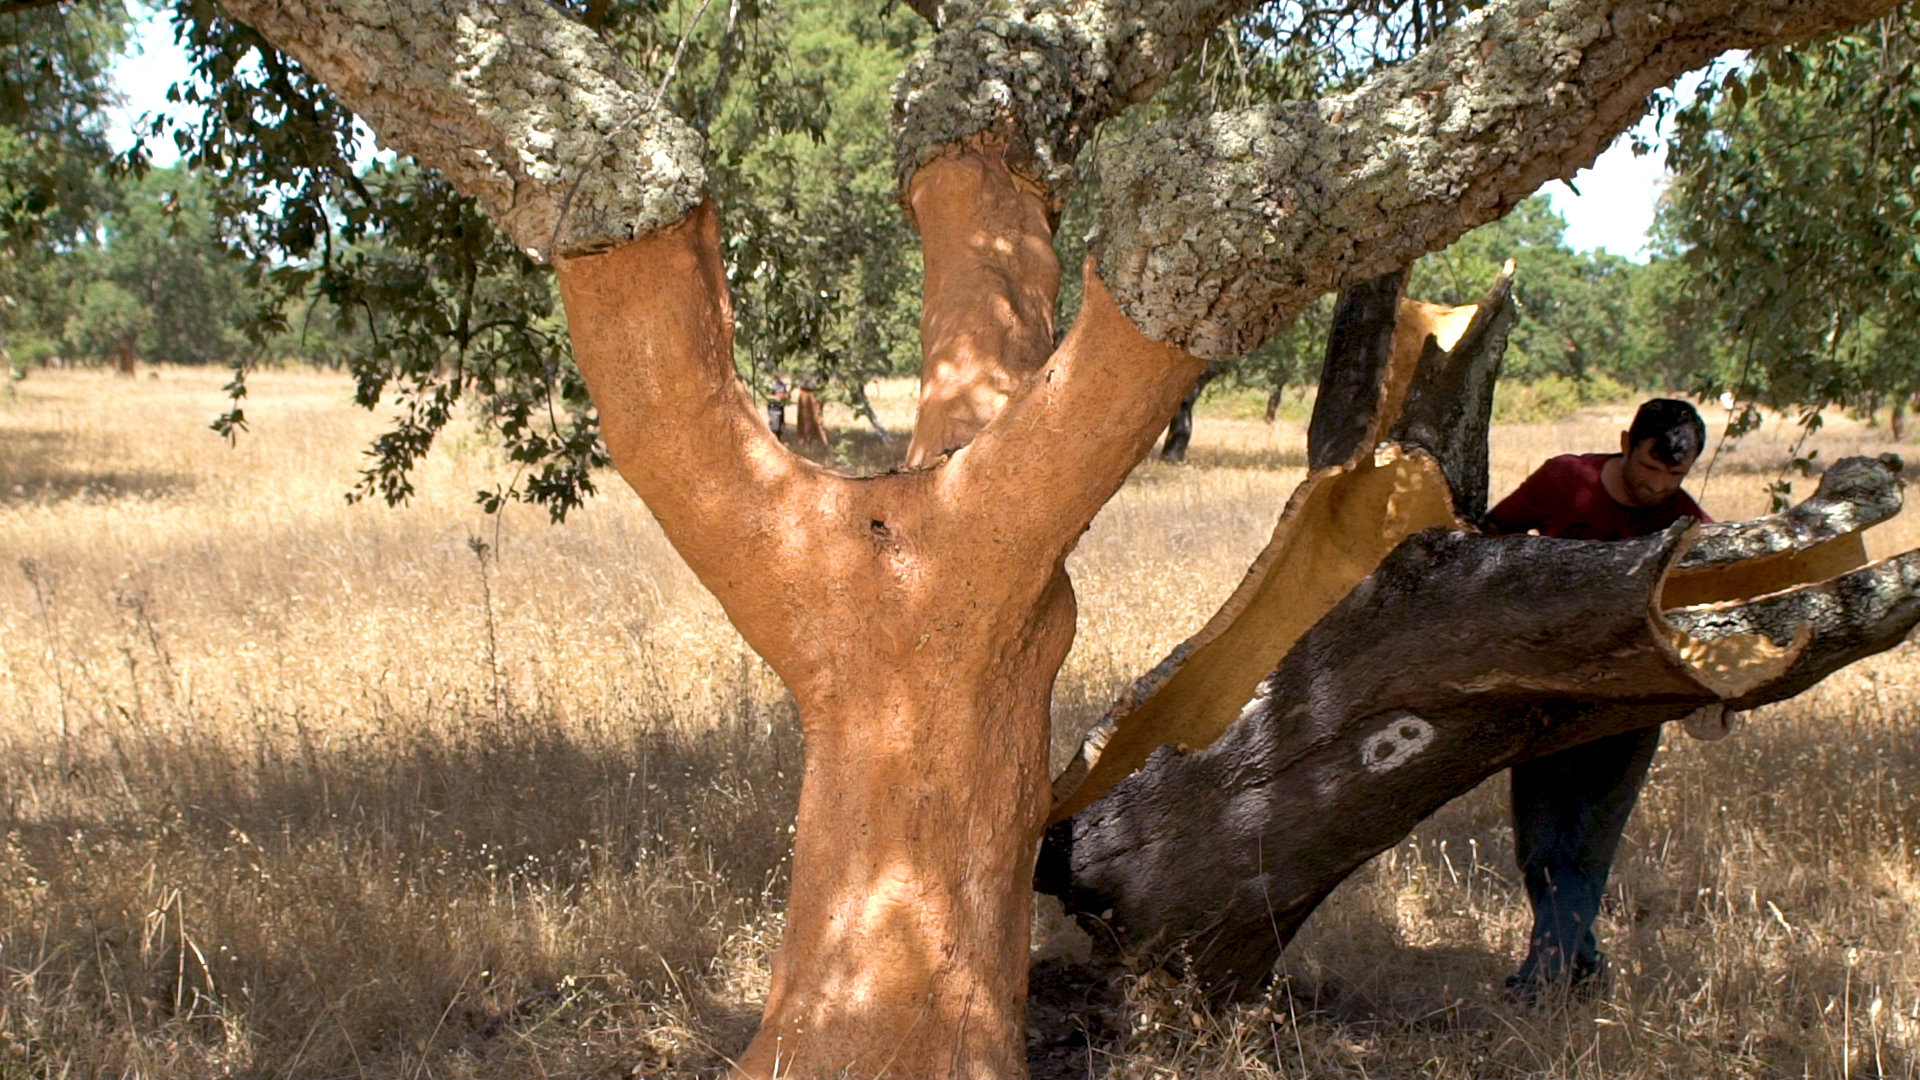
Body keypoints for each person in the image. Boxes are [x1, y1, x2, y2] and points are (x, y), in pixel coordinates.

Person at [1482, 398, 1711, 1001]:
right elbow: (1488, 541)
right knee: (1538, 849)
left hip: (1630, 712)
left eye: (1674, 476)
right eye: (1648, 470)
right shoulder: (1566, 480)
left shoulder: (1684, 522)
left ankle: (1542, 978)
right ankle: (1582, 968)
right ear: (1623, 441)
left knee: (1584, 849)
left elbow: (1709, 606)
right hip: (1546, 700)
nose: (1659, 485)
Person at [766, 371, 790, 440]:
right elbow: (768, 396)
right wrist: (777, 397)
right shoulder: (771, 385)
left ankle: (779, 440)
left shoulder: (782, 384)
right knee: (774, 427)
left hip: (780, 407)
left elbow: (786, 395)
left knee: (780, 426)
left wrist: (785, 396)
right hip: (773, 408)